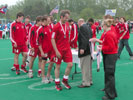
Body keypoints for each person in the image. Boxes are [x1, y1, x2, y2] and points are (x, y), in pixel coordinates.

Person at [90, 19, 118, 100]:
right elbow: (106, 43)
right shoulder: (107, 33)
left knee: (109, 74)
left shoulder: (109, 34)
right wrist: (99, 43)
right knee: (109, 74)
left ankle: (110, 95)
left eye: (102, 25)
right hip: (108, 54)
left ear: (105, 25)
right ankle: (110, 91)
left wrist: (101, 47)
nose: (102, 27)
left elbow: (111, 47)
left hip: (110, 55)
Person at [51, 10, 73, 91]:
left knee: (70, 64)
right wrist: (56, 51)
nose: (67, 20)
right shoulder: (56, 26)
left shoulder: (67, 25)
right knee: (58, 66)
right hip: (59, 49)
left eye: (68, 18)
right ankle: (57, 82)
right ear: (61, 17)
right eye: (66, 18)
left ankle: (65, 80)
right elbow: (52, 39)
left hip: (67, 48)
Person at [37, 16, 54, 83]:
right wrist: (41, 51)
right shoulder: (40, 29)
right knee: (43, 62)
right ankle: (43, 77)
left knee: (52, 62)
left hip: (51, 49)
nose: (49, 21)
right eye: (48, 20)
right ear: (44, 21)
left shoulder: (50, 27)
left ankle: (48, 75)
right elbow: (38, 42)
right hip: (44, 50)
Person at [77, 18, 93, 88]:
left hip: (85, 49)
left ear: (80, 22)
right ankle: (89, 80)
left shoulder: (82, 27)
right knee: (88, 67)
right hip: (89, 49)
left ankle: (86, 82)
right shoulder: (88, 27)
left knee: (84, 67)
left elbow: (83, 38)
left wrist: (82, 48)